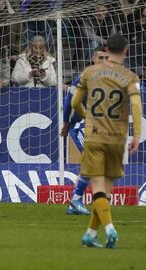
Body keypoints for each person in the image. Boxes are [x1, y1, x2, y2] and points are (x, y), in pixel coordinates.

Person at [72, 34, 142, 249]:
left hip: (95, 136)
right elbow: (137, 106)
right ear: (126, 51)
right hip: (117, 139)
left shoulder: (90, 72)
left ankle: (110, 229)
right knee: (106, 192)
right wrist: (136, 135)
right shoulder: (130, 77)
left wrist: (89, 118)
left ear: (106, 47)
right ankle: (90, 235)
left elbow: (75, 102)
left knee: (98, 189)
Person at [61, 46, 109, 216]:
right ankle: (76, 199)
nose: (104, 61)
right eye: (101, 58)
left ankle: (74, 202)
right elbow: (69, 102)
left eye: (106, 58)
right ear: (93, 60)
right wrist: (66, 122)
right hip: (81, 124)